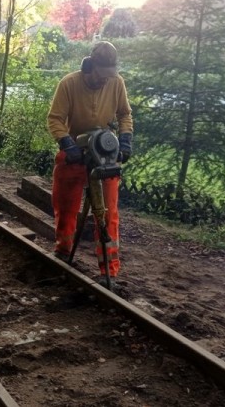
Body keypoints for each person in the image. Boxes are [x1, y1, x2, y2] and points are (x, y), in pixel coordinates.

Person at [47, 41, 133, 284]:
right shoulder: (69, 84)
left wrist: (125, 140)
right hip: (75, 148)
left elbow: (125, 114)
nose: (104, 80)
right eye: (101, 75)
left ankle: (109, 268)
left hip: (103, 149)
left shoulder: (116, 83)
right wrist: (67, 144)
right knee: (65, 206)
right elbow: (55, 119)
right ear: (89, 66)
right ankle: (63, 252)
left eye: (109, 75)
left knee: (108, 212)